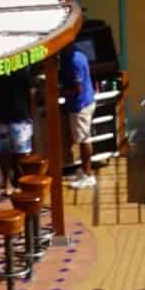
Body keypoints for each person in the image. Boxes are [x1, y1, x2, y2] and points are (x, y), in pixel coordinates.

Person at [63, 37, 98, 189]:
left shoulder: (73, 60)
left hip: (81, 105)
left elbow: (77, 89)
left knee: (84, 139)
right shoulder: (77, 53)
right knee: (83, 138)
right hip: (84, 101)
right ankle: (84, 171)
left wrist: (56, 91)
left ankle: (88, 175)